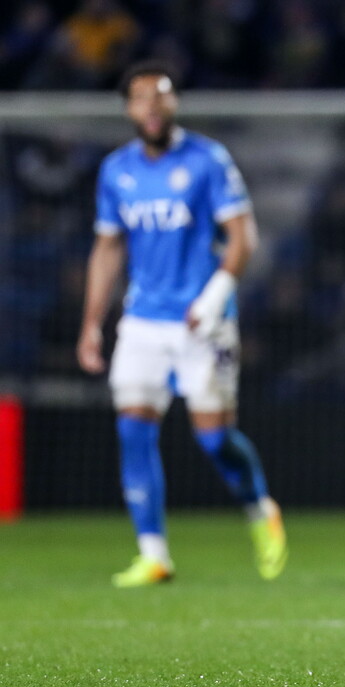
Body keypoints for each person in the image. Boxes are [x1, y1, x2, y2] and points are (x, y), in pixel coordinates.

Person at [76, 60, 288, 587]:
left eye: (160, 95)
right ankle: (154, 554)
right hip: (143, 321)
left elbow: (243, 237)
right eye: (140, 97)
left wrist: (216, 296)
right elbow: (107, 249)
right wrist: (91, 324)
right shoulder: (116, 171)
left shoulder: (207, 160)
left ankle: (261, 509)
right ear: (128, 108)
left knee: (215, 440)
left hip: (202, 320)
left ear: (174, 104)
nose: (151, 105)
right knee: (133, 430)